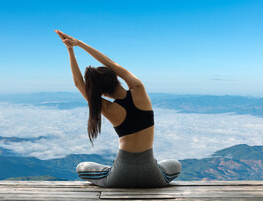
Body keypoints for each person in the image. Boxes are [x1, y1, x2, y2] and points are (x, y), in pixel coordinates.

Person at [54, 30, 181, 188]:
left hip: (119, 177)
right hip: (153, 177)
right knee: (176, 165)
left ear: (102, 93)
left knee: (82, 168)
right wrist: (78, 43)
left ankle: (110, 171)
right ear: (115, 77)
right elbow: (110, 62)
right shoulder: (138, 89)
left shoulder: (107, 108)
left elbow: (79, 84)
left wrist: (70, 50)